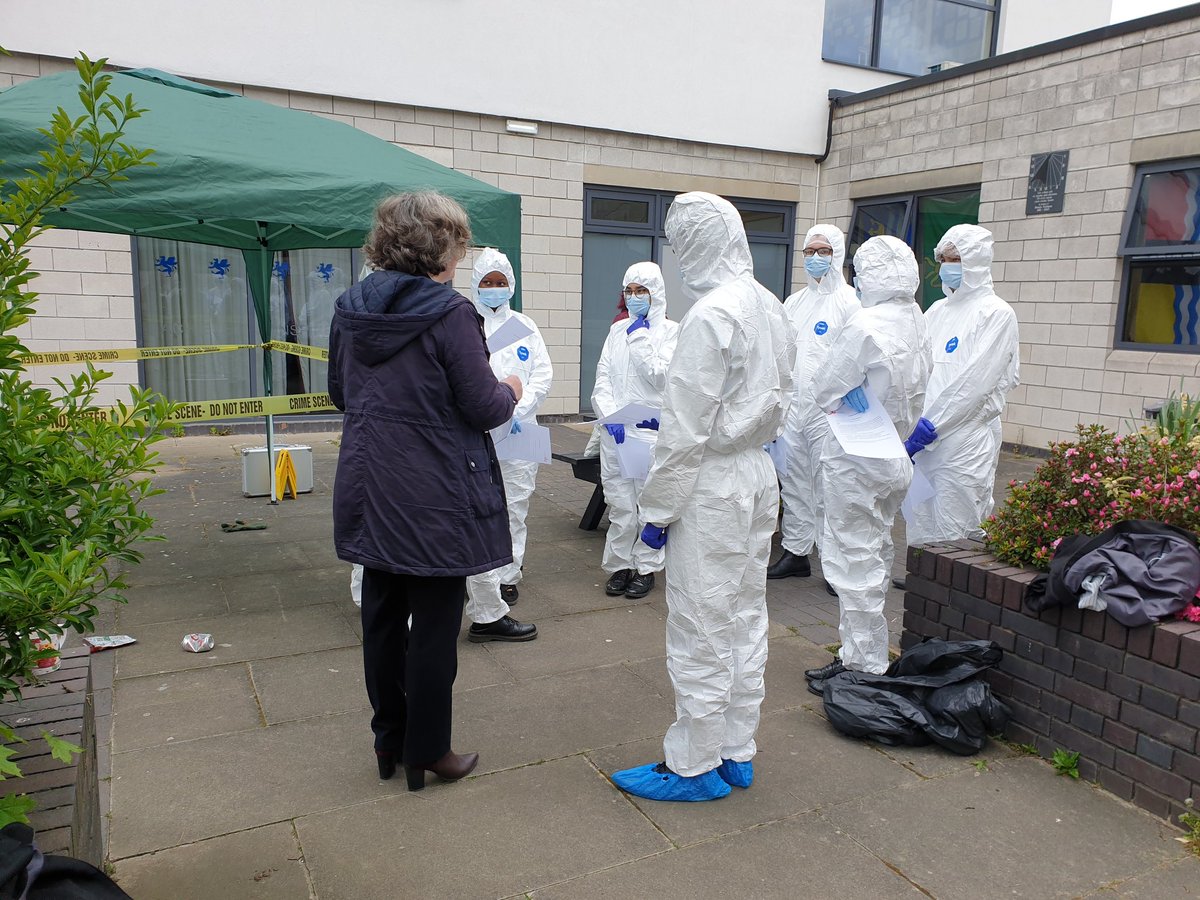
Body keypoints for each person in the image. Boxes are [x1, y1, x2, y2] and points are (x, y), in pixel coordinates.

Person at [329, 192, 523, 791]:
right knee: (436, 624)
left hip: (369, 480)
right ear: (442, 246)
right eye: (460, 248)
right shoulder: (450, 313)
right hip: (435, 487)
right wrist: (512, 386)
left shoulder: (349, 307)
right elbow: (484, 406)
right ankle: (429, 750)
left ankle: (389, 742)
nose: (463, 262)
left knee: (382, 619)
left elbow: (341, 393)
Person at [611, 192, 795, 803]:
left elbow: (683, 429)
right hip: (756, 474)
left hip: (711, 485)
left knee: (700, 625)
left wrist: (657, 513)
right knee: (746, 616)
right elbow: (785, 391)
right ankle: (736, 749)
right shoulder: (768, 304)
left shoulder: (711, 313)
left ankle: (692, 765)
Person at [806, 235, 932, 682]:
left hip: (856, 458)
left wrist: (848, 389)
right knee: (875, 554)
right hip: (895, 455)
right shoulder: (916, 318)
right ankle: (861, 652)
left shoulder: (864, 323)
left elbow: (824, 388)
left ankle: (863, 666)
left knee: (851, 562)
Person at [903, 224, 1020, 550]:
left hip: (963, 441)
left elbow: (974, 385)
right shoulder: (938, 311)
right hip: (924, 439)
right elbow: (916, 367)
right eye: (942, 259)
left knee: (958, 519)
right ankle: (922, 577)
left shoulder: (996, 314)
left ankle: (951, 587)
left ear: (977, 261)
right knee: (921, 513)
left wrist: (931, 425)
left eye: (955, 259)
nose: (946, 267)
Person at [463, 248, 552, 643]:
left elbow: (542, 374)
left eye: (500, 283)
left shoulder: (525, 325)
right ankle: (483, 578)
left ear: (511, 285)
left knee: (516, 504)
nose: (494, 289)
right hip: (479, 428)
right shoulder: (465, 323)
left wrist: (519, 407)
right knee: (481, 506)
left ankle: (508, 574)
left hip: (521, 427)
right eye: (487, 283)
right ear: (476, 285)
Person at [767, 224, 860, 581]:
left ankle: (837, 568)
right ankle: (796, 551)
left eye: (824, 251)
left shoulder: (850, 302)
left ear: (836, 255)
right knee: (793, 482)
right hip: (795, 409)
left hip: (830, 412)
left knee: (831, 489)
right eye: (810, 252)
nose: (816, 258)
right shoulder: (795, 303)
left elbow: (858, 358)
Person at [592, 262, 680, 599]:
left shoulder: (672, 332)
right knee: (620, 505)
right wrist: (608, 414)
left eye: (641, 290)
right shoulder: (616, 331)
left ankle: (646, 568)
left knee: (648, 503)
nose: (633, 297)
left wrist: (640, 335)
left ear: (655, 293)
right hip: (617, 434)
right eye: (628, 291)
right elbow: (602, 378)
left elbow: (660, 376)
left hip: (650, 434)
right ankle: (619, 566)